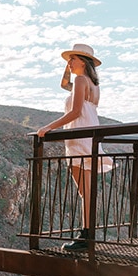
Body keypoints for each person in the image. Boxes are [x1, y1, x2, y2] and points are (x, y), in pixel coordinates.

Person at [37, 43, 112, 252]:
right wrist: (68, 66)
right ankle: (87, 233)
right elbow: (64, 84)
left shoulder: (80, 80)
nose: (69, 63)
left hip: (78, 136)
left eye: (72, 59)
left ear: (84, 61)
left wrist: (48, 127)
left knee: (84, 191)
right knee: (87, 191)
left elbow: (76, 111)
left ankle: (85, 236)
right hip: (89, 135)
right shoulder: (92, 84)